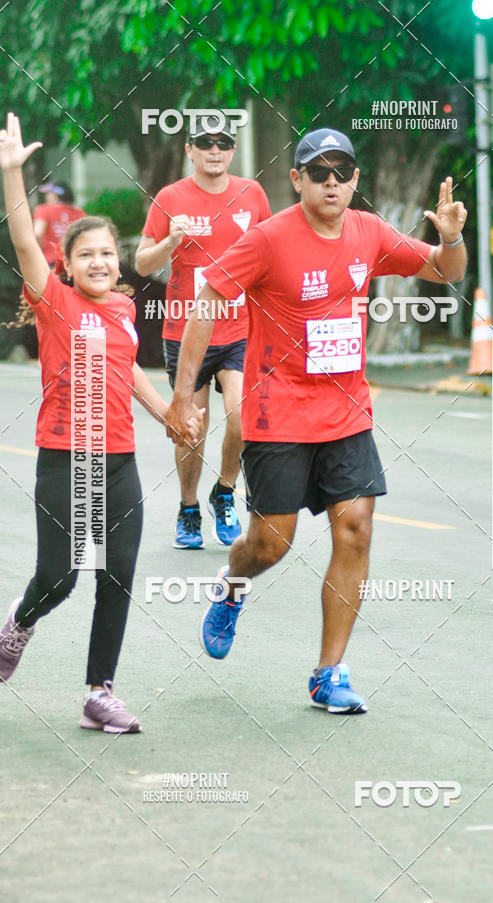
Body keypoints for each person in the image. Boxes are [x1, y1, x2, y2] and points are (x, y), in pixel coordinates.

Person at [166, 127, 468, 715]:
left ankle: (328, 674)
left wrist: (451, 238)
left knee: (355, 529)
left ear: (355, 180)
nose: (332, 182)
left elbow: (443, 270)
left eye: (342, 172)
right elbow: (208, 298)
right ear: (297, 179)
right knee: (270, 544)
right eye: (319, 172)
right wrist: (184, 396)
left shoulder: (369, 231)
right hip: (277, 413)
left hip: (346, 412)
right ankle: (232, 585)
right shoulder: (268, 239)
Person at [0, 113, 201, 732]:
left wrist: (167, 413)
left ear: (119, 263)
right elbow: (25, 243)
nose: (98, 262)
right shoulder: (54, 301)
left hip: (119, 461)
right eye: (85, 254)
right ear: (66, 264)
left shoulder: (121, 309)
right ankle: (18, 625)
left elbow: (128, 370)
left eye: (107, 254)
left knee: (117, 574)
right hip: (64, 459)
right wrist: (12, 175)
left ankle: (99, 693)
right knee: (59, 576)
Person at [136, 117, 271, 550]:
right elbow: (141, 263)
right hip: (186, 332)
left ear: (233, 151)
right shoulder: (170, 197)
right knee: (191, 427)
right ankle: (189, 508)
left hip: (240, 328)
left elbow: (272, 254)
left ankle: (224, 492)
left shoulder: (252, 194)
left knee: (243, 417)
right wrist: (169, 244)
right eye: (205, 143)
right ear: (189, 150)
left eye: (223, 143)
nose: (214, 150)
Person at [33, 180, 86, 266]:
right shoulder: (79, 213)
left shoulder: (43, 210)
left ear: (55, 195)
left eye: (49, 193)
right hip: (74, 261)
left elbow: (38, 233)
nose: (47, 197)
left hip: (51, 260)